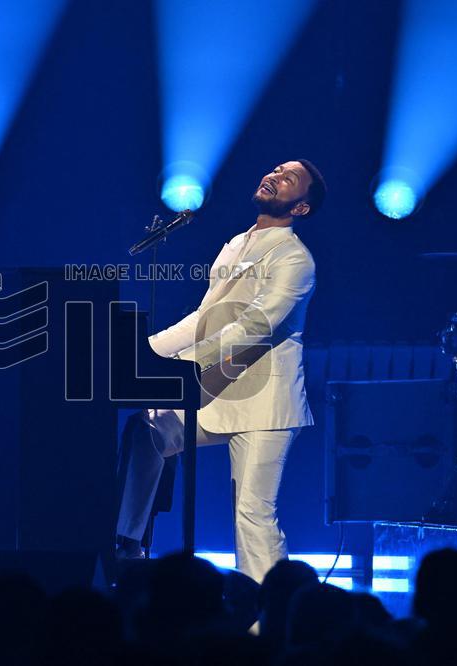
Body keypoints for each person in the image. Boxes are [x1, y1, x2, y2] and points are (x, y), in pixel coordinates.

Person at [117, 159, 325, 583]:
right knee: (147, 429)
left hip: (264, 404)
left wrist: (180, 363)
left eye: (288, 178)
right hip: (215, 388)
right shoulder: (236, 243)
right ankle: (127, 543)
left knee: (252, 514)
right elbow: (203, 318)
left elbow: (253, 326)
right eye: (275, 170)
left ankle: (269, 608)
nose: (274, 176)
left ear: (301, 207)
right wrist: (143, 353)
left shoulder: (295, 259)